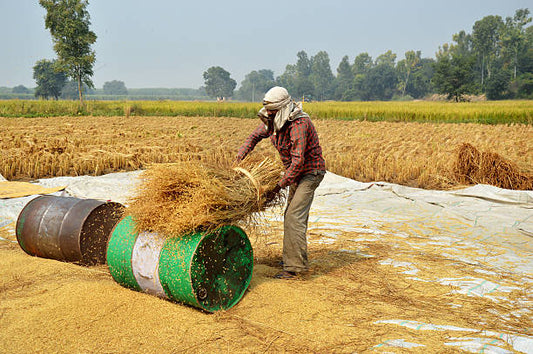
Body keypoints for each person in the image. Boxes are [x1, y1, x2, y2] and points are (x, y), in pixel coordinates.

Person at [235, 86, 326, 279]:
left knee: (294, 216)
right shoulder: (274, 121)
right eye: (268, 111)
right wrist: (238, 159)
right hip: (295, 174)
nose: (269, 114)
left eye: (272, 111)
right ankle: (293, 258)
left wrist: (277, 187)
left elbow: (298, 161)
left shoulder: (299, 124)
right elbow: (254, 137)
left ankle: (294, 269)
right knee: (291, 216)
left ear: (282, 109)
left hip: (310, 173)